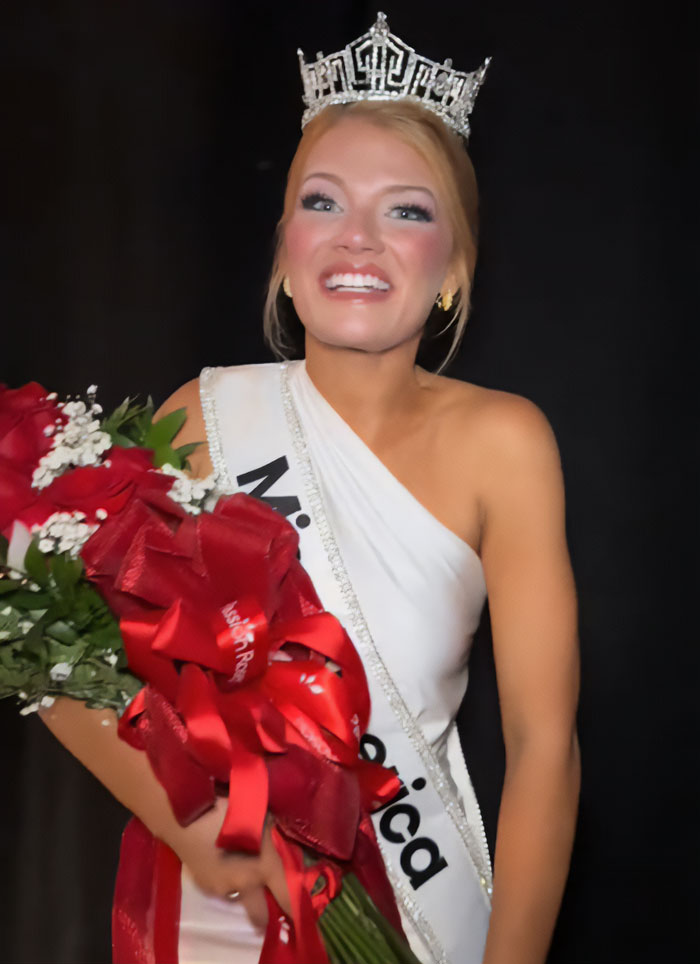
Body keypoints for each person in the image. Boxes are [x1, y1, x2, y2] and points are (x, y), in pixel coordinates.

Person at [40, 14, 580, 964]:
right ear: (285, 249)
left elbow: (544, 745)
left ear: (452, 268)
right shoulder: (204, 418)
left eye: (406, 211)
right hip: (216, 913)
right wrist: (189, 833)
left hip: (417, 913)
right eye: (323, 202)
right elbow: (54, 655)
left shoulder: (506, 442)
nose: (358, 239)